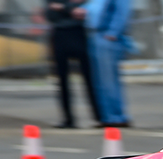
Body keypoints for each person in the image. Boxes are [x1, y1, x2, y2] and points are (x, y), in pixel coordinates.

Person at [46, 0, 100, 128]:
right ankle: (68, 118)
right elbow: (51, 15)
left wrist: (63, 8)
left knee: (89, 78)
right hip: (60, 35)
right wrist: (70, 10)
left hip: (78, 33)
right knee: (62, 80)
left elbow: (83, 12)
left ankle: (98, 116)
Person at [82, 0, 132, 128]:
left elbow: (122, 13)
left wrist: (112, 33)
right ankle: (107, 116)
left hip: (107, 37)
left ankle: (116, 116)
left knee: (108, 80)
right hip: (96, 35)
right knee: (100, 81)